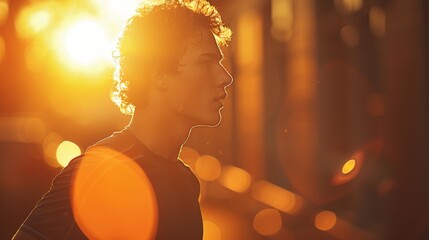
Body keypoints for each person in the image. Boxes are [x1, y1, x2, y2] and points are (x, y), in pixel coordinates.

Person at [13, 0, 233, 239]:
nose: (225, 77)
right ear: (160, 75)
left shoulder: (187, 182)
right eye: (206, 62)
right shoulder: (100, 169)